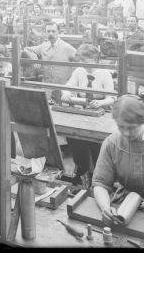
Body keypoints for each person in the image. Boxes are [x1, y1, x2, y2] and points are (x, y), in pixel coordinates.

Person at [60, 44, 116, 184]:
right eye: (80, 60)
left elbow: (112, 97)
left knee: (96, 146)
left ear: (93, 59)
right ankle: (81, 171)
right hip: (82, 111)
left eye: (83, 60)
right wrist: (66, 94)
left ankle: (98, 177)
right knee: (76, 140)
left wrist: (101, 102)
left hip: (100, 113)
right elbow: (67, 87)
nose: (81, 63)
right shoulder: (79, 71)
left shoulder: (104, 73)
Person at [23, 22, 76, 100]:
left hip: (62, 89)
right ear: (45, 33)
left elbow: (80, 61)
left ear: (58, 32)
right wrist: (35, 59)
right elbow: (26, 49)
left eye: (53, 31)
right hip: (46, 88)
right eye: (48, 31)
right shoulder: (44, 46)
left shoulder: (67, 48)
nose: (51, 34)